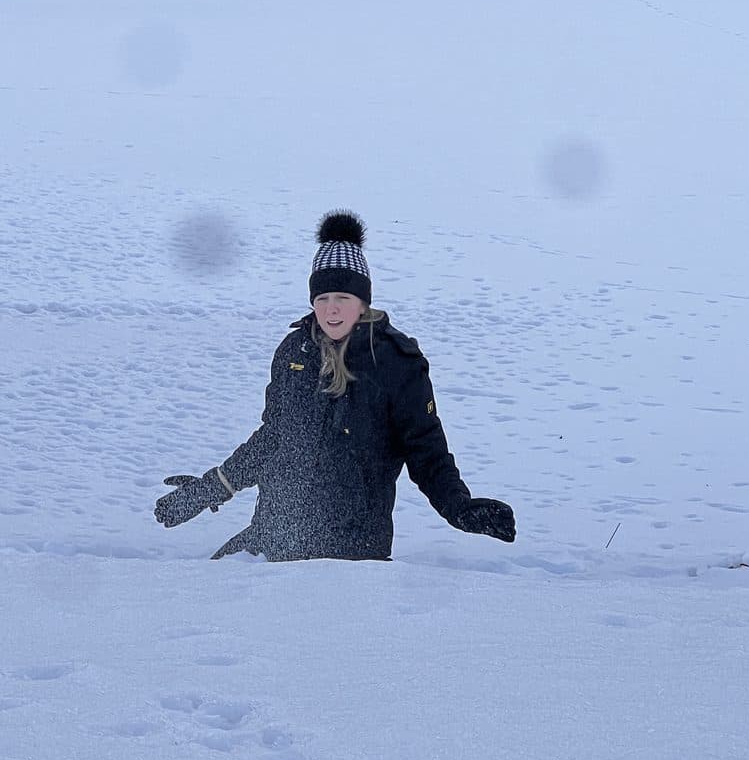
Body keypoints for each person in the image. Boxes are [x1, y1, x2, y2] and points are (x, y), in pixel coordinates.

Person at [155, 211, 516, 561]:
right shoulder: (294, 352)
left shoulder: (395, 362)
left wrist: (459, 508)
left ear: (363, 301)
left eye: (342, 298)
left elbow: (426, 453)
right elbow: (272, 438)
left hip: (349, 555)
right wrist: (207, 491)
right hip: (272, 536)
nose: (331, 310)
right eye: (322, 298)